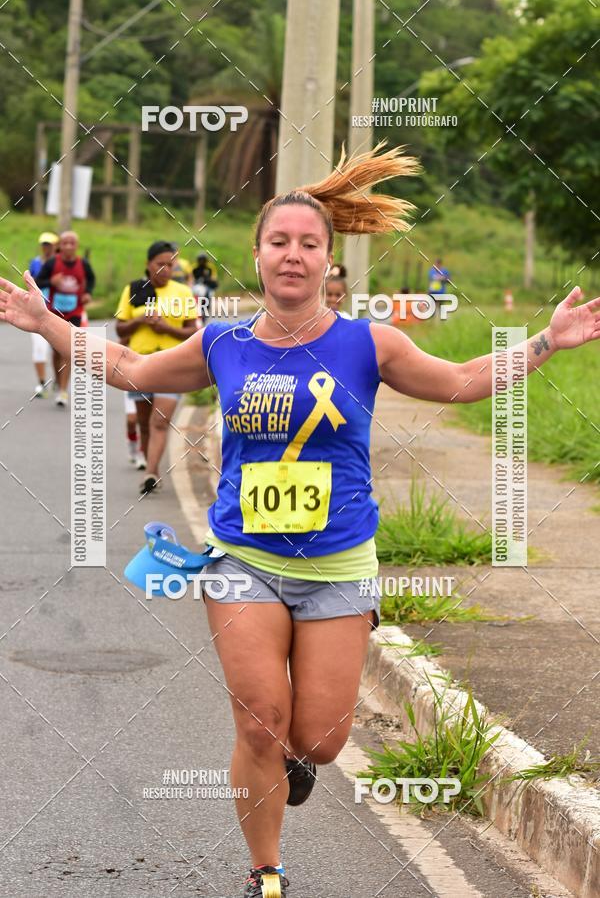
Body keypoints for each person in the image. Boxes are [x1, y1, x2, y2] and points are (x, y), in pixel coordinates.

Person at [2, 144, 600, 898]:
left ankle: (293, 763)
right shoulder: (224, 342)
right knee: (260, 723)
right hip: (241, 558)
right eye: (278, 242)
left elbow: (460, 382)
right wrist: (47, 323)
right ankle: (267, 870)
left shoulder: (366, 342)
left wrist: (546, 343)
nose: (292, 255)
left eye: (308, 244)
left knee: (318, 736)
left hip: (338, 566)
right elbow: (129, 369)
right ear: (256, 253)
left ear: (328, 258)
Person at [114, 240, 198, 494]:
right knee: (144, 423)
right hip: (138, 364)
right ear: (148, 265)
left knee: (159, 421)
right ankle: (152, 466)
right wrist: (140, 320)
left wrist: (166, 328)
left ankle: (150, 473)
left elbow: (193, 331)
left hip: (172, 364)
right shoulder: (135, 289)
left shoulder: (182, 292)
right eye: (160, 264)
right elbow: (120, 328)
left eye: (170, 265)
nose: (166, 270)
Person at [34, 230, 95, 407]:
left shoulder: (83, 263)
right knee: (56, 351)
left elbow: (91, 280)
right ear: (60, 245)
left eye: (72, 243)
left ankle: (62, 391)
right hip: (55, 311)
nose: (68, 246)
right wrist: (51, 282)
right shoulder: (53, 262)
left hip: (75, 312)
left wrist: (88, 293)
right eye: (65, 243)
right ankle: (58, 378)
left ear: (77, 246)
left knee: (68, 349)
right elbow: (38, 281)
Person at [29, 231, 58, 397]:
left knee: (58, 350)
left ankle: (57, 380)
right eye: (44, 244)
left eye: (49, 244)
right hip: (38, 312)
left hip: (58, 312)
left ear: (55, 246)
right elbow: (32, 282)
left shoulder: (60, 263)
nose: (46, 247)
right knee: (39, 348)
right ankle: (41, 383)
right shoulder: (35, 262)